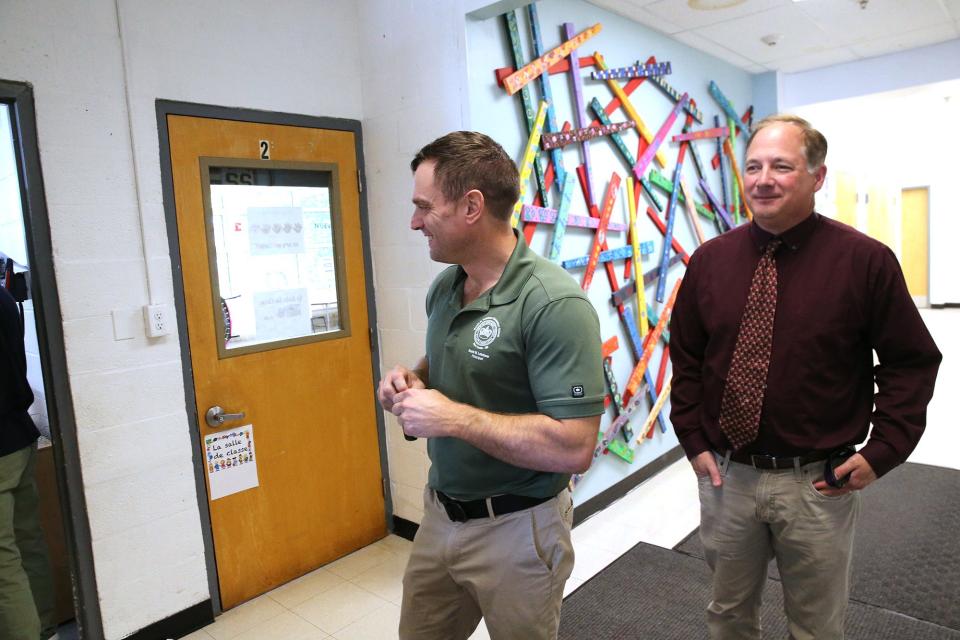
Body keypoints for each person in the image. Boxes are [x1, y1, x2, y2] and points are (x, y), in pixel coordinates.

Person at [669, 114, 941, 640]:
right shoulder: (710, 262)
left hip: (818, 484)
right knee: (727, 614)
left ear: (817, 177)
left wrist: (884, 449)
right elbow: (688, 358)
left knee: (816, 625)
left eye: (781, 166)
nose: (763, 178)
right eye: (753, 166)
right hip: (728, 478)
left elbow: (911, 361)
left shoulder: (865, 262)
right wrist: (693, 439)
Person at [377, 131, 604, 640]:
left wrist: (450, 417)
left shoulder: (553, 305)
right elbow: (450, 366)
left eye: (423, 207)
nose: (414, 222)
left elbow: (575, 446)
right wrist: (412, 380)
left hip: (519, 530)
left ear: (472, 206)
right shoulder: (447, 285)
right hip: (439, 515)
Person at [0, 285, 57, 640]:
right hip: (20, 435)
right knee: (27, 540)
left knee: (3, 560)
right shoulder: (4, 298)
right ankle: (45, 629)